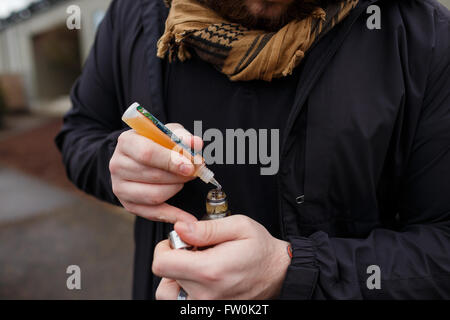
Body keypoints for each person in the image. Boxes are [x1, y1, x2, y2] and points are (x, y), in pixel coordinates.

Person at [55, 0, 450, 299]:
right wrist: (115, 162)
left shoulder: (421, 36)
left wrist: (294, 271)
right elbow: (79, 132)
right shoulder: (133, 14)